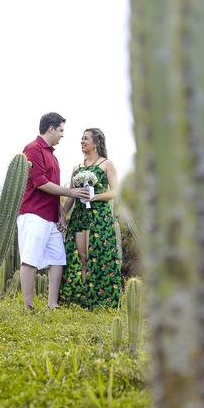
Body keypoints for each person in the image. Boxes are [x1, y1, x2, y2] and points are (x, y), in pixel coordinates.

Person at [18, 112, 92, 311]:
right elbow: (41, 183)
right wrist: (72, 192)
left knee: (58, 258)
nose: (62, 135)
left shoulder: (52, 155)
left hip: (50, 216)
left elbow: (54, 189)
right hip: (33, 213)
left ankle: (52, 304)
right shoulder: (33, 149)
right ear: (50, 128)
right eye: (60, 130)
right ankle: (28, 305)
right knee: (30, 259)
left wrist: (61, 214)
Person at [59, 128, 122, 309]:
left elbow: (116, 192)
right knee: (82, 256)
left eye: (85, 138)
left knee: (99, 256)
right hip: (80, 215)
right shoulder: (77, 168)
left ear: (96, 143)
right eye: (81, 138)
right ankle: (84, 297)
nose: (82, 141)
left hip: (99, 216)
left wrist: (94, 197)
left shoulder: (106, 164)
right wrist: (62, 214)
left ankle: (101, 301)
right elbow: (71, 195)